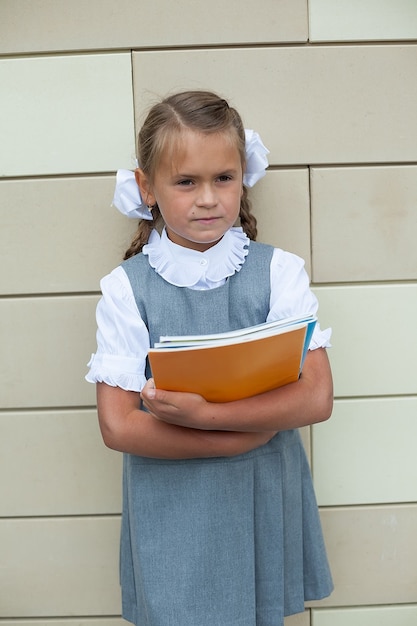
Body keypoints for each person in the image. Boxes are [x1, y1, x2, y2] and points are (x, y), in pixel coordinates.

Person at [86, 90, 333, 626]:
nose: (207, 198)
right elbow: (118, 425)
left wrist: (206, 416)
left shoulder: (278, 272)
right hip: (172, 508)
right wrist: (237, 435)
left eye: (223, 178)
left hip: (260, 497)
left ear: (243, 176)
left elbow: (315, 396)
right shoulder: (127, 290)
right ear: (147, 188)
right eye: (186, 181)